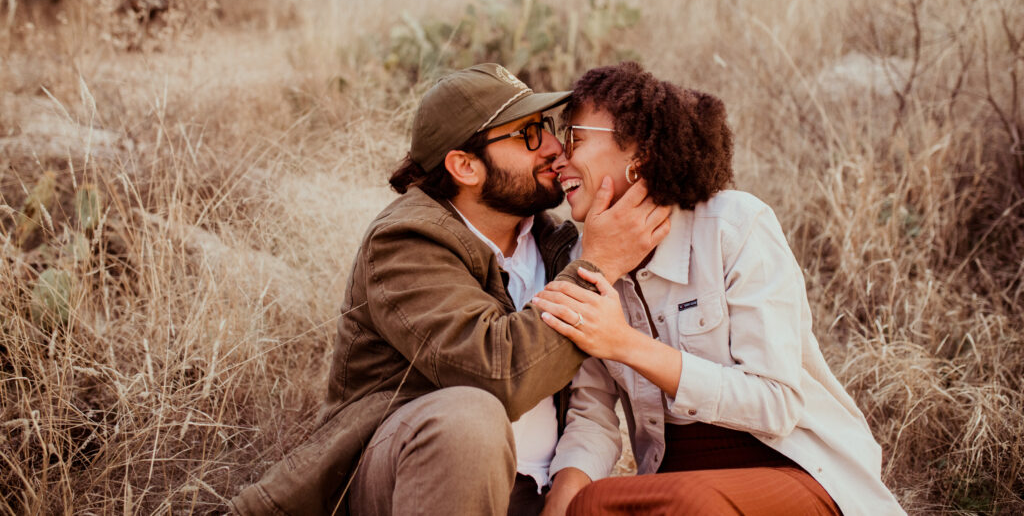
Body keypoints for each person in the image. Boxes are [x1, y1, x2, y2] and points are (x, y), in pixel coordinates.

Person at [230, 63, 670, 516]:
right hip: (415, 483)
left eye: (550, 128)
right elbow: (498, 376)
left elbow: (594, 399)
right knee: (468, 420)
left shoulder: (555, 243)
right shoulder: (406, 241)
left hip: (538, 496)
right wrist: (598, 265)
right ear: (464, 166)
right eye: (529, 135)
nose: (556, 150)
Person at [531, 62, 905, 515]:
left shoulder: (735, 226)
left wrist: (626, 344)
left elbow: (777, 403)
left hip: (796, 472)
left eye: (575, 138)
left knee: (691, 503)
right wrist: (560, 504)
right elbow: (591, 417)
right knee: (590, 503)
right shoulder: (582, 264)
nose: (559, 158)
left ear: (639, 154)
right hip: (678, 487)